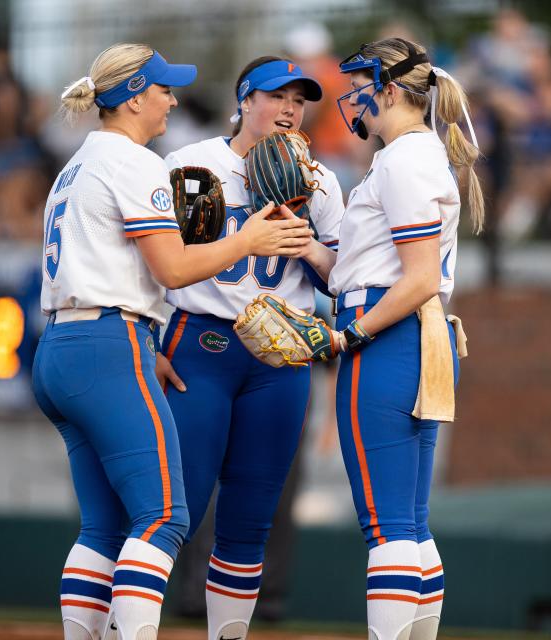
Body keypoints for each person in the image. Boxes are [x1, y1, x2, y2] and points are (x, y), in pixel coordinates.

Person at [30, 43, 312, 640]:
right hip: (109, 343)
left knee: (103, 529)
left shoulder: (76, 163)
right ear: (133, 97)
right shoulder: (134, 162)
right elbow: (175, 269)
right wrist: (249, 240)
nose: (172, 100)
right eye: (162, 89)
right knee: (163, 516)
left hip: (61, 346)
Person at [293, 37, 483, 640]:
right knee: (412, 524)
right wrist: (309, 249)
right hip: (415, 332)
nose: (355, 100)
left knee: (387, 527)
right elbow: (371, 268)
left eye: (361, 86)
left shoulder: (403, 157)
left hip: (391, 333)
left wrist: (348, 333)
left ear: (391, 89)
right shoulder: (414, 155)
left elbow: (417, 276)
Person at [161, 56, 345, 640]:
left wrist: (310, 246)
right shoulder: (195, 165)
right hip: (204, 343)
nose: (290, 109)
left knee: (251, 518)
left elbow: (341, 277)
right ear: (244, 100)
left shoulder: (318, 179)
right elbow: (169, 267)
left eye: (299, 99)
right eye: (276, 96)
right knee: (172, 511)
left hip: (279, 358)